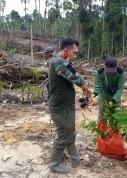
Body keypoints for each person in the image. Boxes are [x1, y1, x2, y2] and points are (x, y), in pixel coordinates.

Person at [48, 38, 92, 174]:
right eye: (74, 53)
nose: (76, 56)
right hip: (60, 108)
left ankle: (75, 158)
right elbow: (72, 77)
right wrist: (84, 86)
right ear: (66, 51)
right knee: (64, 136)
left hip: (66, 107)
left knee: (69, 133)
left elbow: (75, 73)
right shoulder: (57, 62)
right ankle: (54, 163)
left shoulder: (65, 62)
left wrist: (85, 88)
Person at [93, 56, 126, 123]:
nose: (110, 73)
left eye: (112, 71)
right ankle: (102, 132)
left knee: (116, 119)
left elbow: (120, 89)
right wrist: (94, 94)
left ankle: (114, 133)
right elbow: (99, 86)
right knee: (102, 119)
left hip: (116, 99)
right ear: (105, 66)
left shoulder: (121, 73)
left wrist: (113, 100)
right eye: (108, 70)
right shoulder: (99, 73)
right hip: (103, 98)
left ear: (116, 67)